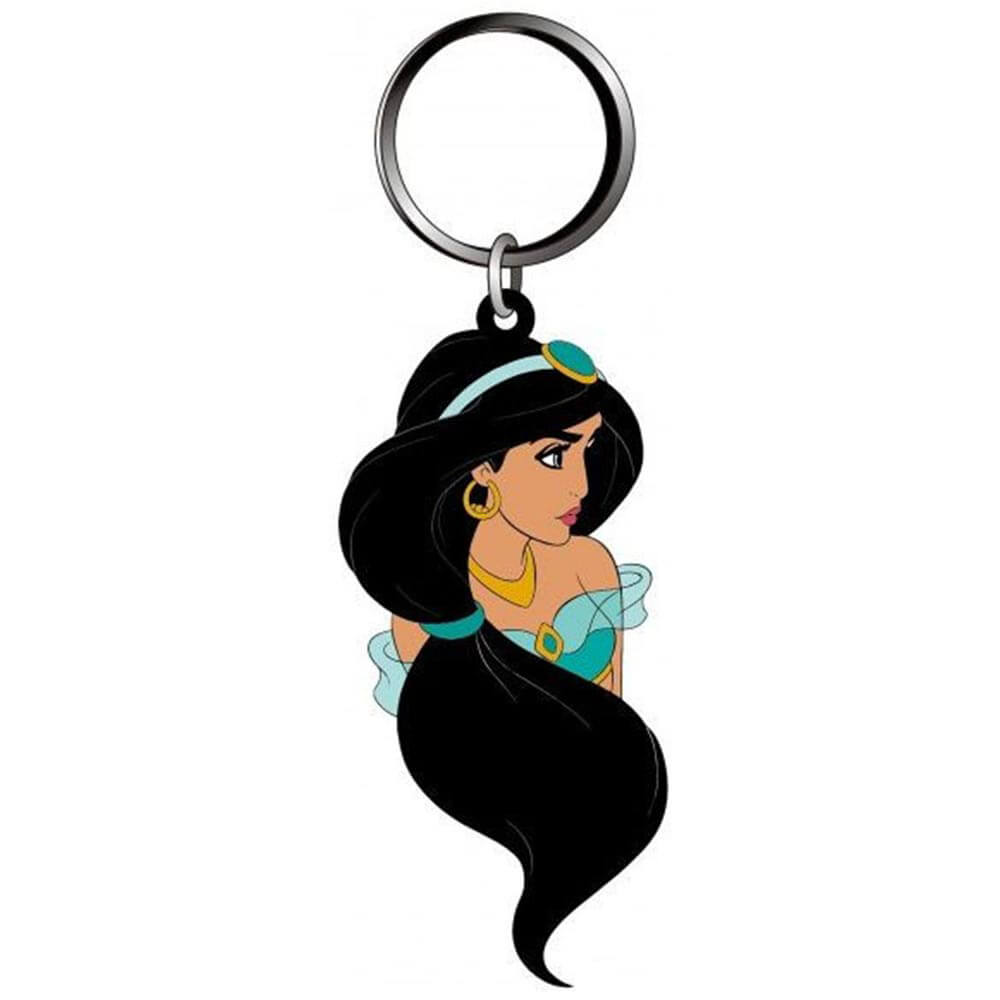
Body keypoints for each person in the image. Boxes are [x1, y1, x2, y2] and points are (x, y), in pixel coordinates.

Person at [339, 292, 667, 986]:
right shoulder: (425, 616)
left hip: (604, 818)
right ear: (481, 466)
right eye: (553, 456)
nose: (581, 483)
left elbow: (612, 707)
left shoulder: (590, 567)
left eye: (589, 449)